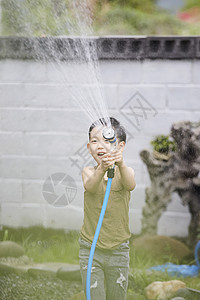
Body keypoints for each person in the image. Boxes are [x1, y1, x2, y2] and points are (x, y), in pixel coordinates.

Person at [79, 117, 136, 300]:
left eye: (106, 140)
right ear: (89, 148)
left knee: (117, 296)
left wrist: (121, 164)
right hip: (91, 248)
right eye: (94, 141)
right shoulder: (89, 172)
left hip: (119, 249)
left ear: (120, 146)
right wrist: (102, 169)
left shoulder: (126, 172)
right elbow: (90, 186)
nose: (100, 145)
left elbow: (131, 184)